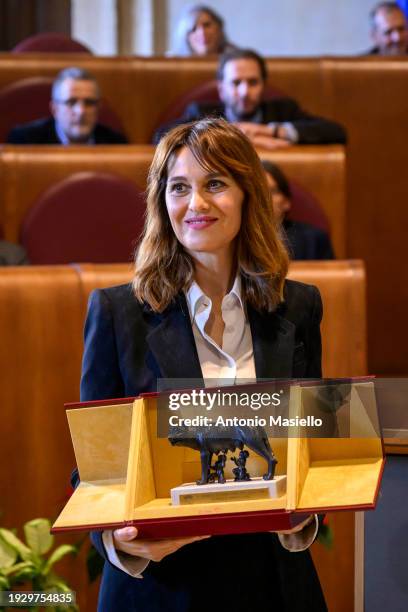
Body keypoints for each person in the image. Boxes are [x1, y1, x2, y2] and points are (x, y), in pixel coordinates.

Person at [80, 118, 327, 612]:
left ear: (247, 194)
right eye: (179, 188)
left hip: (273, 584)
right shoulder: (117, 313)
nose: (196, 204)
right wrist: (119, 541)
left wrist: (308, 516)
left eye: (215, 183)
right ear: (161, 202)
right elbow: (96, 471)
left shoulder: (299, 307)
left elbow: (314, 441)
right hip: (164, 586)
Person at [153, 48, 346, 147]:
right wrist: (230, 135)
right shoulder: (201, 113)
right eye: (236, 83)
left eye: (253, 82)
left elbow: (337, 132)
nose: (245, 92)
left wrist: (271, 132)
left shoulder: (284, 110)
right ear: (222, 89)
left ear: (263, 85)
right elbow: (160, 137)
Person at [7, 67, 128, 145]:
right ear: (55, 109)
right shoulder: (25, 142)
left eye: (89, 103)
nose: (80, 111)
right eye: (71, 102)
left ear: (99, 108)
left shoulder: (116, 143)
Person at [261, 160, 335, 260]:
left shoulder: (314, 240)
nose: (265, 198)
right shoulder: (236, 238)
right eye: (259, 191)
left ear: (286, 202)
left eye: (272, 191)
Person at [171, 4, 236, 56]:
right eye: (193, 29)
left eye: (207, 25)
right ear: (185, 36)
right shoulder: (171, 62)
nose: (202, 33)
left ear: (219, 27)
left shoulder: (237, 58)